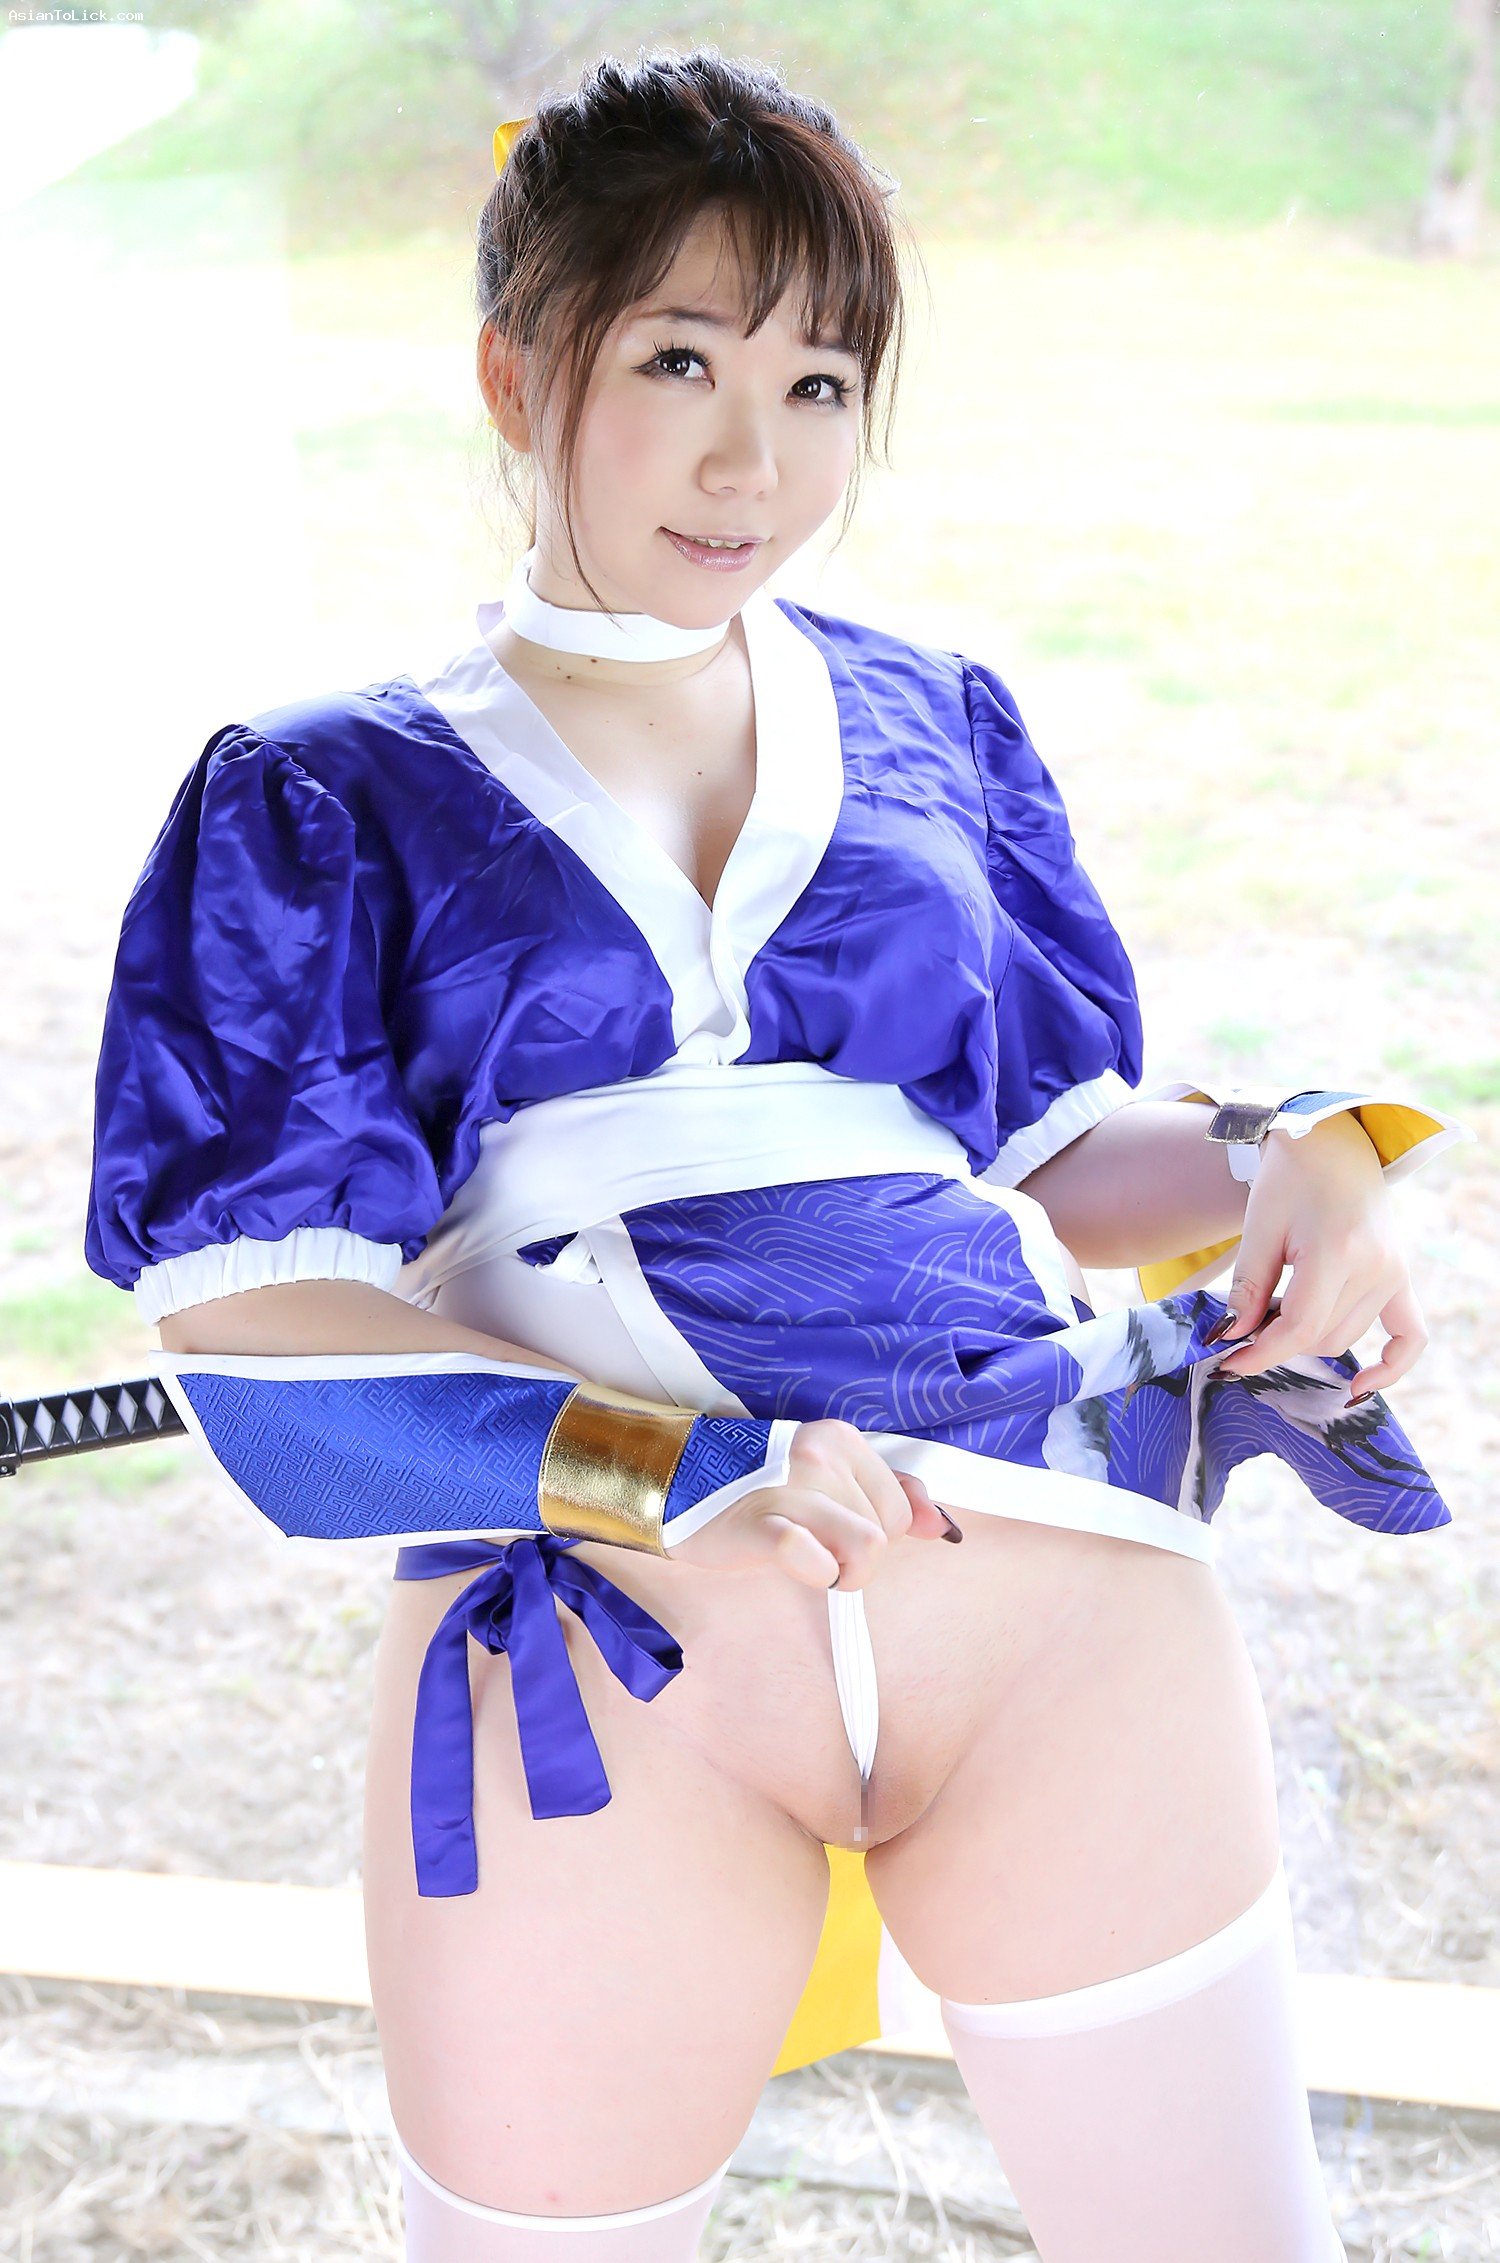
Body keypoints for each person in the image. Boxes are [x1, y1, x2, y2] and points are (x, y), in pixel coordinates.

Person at [83, 48, 1472, 2263]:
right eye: (680, 362)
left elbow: (1046, 1150)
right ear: (516, 370)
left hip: (1054, 1591)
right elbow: (257, 1331)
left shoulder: (937, 719)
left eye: (821, 383)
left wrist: (1289, 1145)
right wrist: (679, 1471)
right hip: (610, 1652)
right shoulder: (320, 795)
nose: (756, 458)